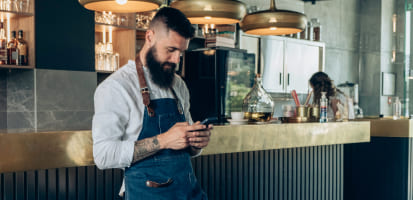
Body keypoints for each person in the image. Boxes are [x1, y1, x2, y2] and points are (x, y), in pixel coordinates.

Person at [92, 7, 211, 199]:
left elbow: (188, 150)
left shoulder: (178, 84)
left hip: (189, 192)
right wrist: (163, 140)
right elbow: (103, 156)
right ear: (149, 37)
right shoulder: (116, 87)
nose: (176, 60)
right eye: (170, 50)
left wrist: (197, 143)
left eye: (181, 52)